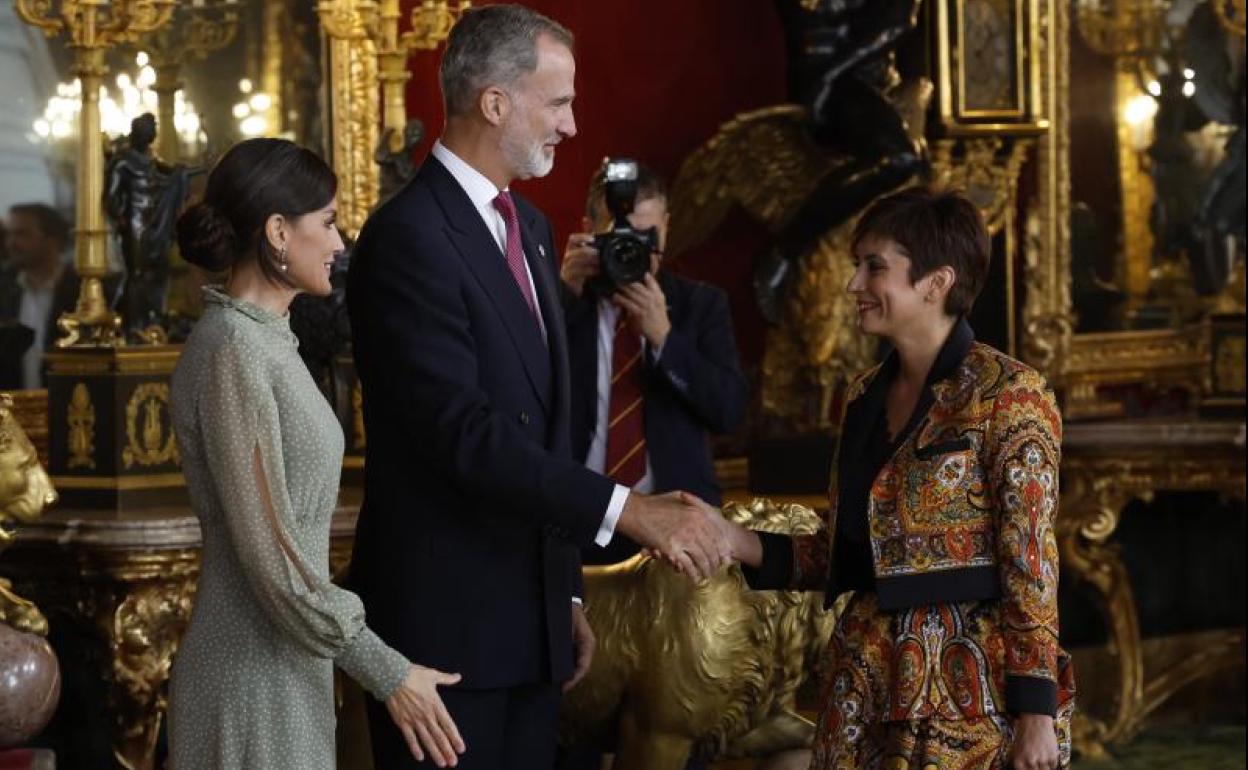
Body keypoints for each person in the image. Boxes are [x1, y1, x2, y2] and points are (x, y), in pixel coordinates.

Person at [346, 5, 731, 769]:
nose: (572, 125)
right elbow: (464, 434)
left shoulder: (532, 227)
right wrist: (631, 511)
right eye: (558, 103)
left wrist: (567, 596)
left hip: (534, 629)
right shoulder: (407, 236)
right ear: (495, 102)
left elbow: (549, 425)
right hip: (445, 639)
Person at [716, 187, 1076, 770]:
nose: (854, 284)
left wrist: (1036, 711)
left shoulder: (1011, 394)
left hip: (967, 694)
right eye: (857, 265)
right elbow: (855, 554)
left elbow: (1030, 561)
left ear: (937, 283)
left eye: (874, 266)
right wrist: (735, 540)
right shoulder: (863, 395)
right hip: (863, 684)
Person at [168, 138, 465, 770]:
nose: (339, 242)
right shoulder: (233, 349)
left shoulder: (269, 341)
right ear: (278, 231)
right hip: (248, 677)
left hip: (288, 666)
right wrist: (386, 671)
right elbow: (271, 560)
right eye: (327, 223)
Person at [561, 162, 748, 565]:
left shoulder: (701, 305)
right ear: (589, 231)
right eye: (621, 236)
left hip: (679, 529)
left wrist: (665, 339)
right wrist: (561, 297)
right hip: (575, 522)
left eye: (647, 236)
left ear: (666, 227)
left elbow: (729, 412)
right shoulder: (561, 304)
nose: (636, 250)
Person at [0, 204, 78, 389]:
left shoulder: (80, 291)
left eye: (22, 234)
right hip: (14, 403)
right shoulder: (5, 289)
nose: (11, 243)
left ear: (52, 239)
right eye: (9, 234)